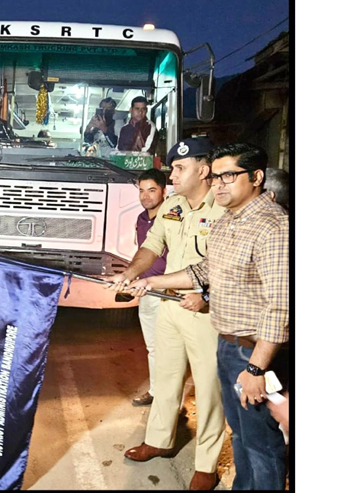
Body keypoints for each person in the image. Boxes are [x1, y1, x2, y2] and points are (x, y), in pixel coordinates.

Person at [127, 142, 289, 490]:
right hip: (202, 324)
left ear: (256, 177)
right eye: (218, 177)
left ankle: (207, 465)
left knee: (249, 431)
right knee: (237, 432)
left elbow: (277, 304)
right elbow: (202, 268)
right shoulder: (218, 217)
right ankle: (161, 440)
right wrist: (145, 279)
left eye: (228, 176)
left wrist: (255, 368)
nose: (219, 184)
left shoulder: (264, 223)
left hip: (235, 335)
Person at [106, 138, 226, 491]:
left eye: (179, 168)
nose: (171, 176)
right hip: (169, 305)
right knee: (166, 377)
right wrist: (131, 273)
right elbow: (152, 244)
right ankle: (159, 440)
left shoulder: (222, 208)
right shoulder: (172, 206)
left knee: (208, 388)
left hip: (204, 311)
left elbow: (222, 267)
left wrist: (203, 293)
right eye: (172, 168)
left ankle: (206, 464)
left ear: (203, 170)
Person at [131, 168, 168, 407]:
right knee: (153, 348)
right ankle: (156, 392)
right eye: (142, 191)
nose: (145, 196)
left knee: (171, 349)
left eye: (152, 190)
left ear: (164, 191)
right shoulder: (141, 219)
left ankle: (170, 400)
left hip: (169, 292)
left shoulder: (173, 218)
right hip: (146, 291)